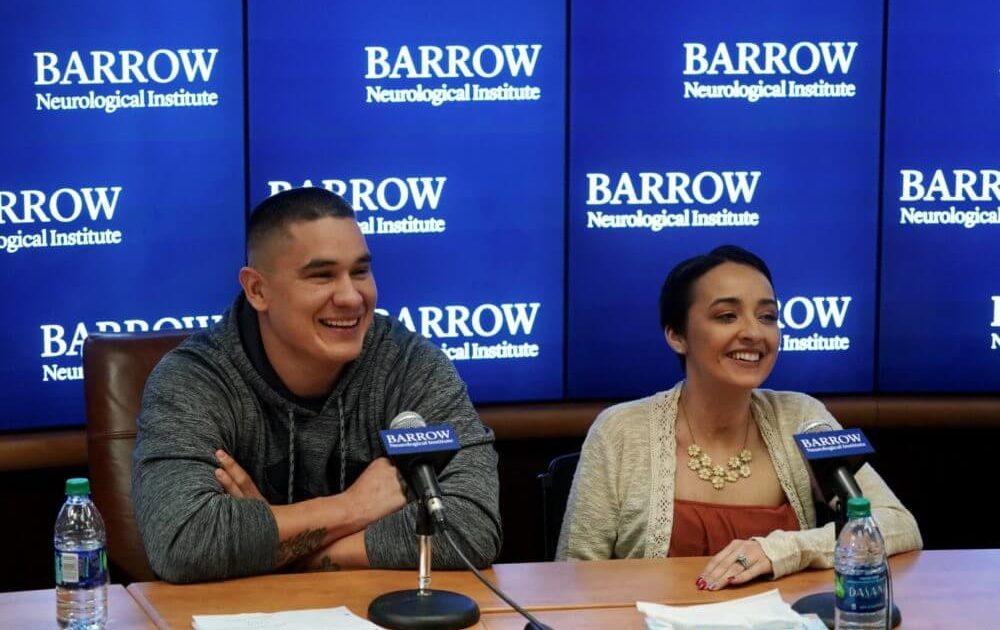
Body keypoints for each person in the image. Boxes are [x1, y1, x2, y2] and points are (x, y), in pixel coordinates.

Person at [132, 188, 501, 583]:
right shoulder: (194, 380)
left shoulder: (408, 365)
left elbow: (469, 527)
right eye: (321, 275)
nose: (350, 297)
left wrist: (277, 548)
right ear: (257, 290)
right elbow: (184, 543)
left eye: (360, 271)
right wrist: (353, 507)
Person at [556, 245, 921, 589]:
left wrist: (780, 549)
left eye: (767, 317)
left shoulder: (801, 417)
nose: (753, 333)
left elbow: (898, 524)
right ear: (676, 335)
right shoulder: (620, 430)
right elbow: (573, 578)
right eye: (727, 316)